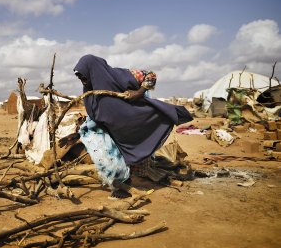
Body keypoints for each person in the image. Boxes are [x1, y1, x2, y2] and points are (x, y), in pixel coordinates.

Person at [63, 54, 193, 198]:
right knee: (110, 157)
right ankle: (122, 186)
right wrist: (77, 134)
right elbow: (93, 116)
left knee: (139, 156)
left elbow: (150, 75)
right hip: (114, 131)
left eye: (83, 75)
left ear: (93, 69)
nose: (82, 79)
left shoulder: (120, 75)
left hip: (135, 122)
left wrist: (138, 93)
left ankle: (136, 181)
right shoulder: (89, 93)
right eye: (79, 77)